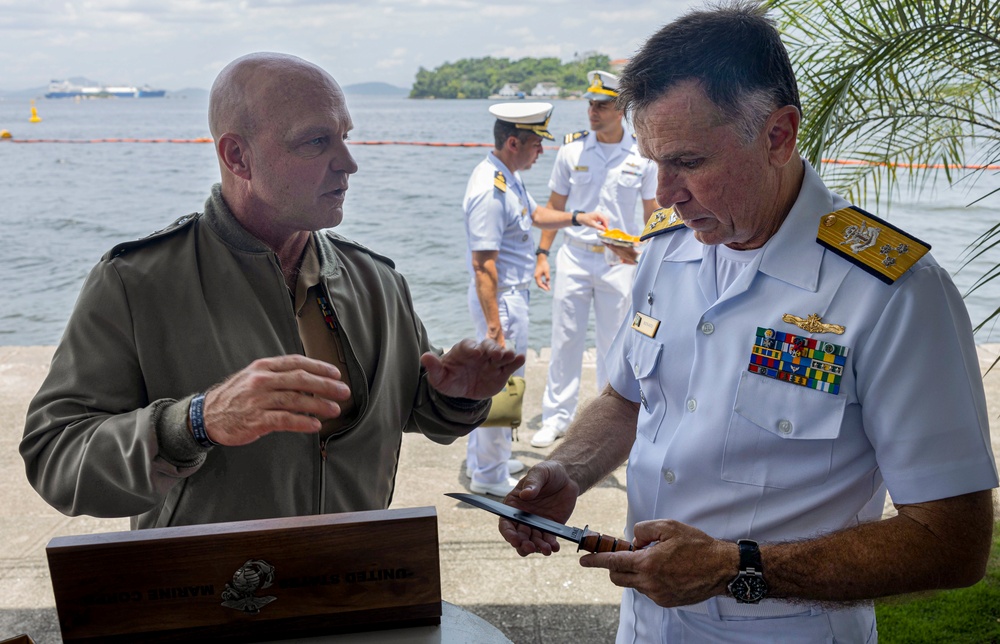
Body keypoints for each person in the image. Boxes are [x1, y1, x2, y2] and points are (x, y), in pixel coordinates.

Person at [498, 3, 998, 641]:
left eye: (689, 161)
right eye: (653, 160)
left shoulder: (889, 292)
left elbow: (951, 542)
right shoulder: (664, 251)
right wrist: (566, 472)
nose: (665, 190)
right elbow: (627, 401)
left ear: (779, 135)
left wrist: (737, 567)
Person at [20, 52, 525, 530]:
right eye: (316, 142)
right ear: (237, 156)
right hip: (212, 595)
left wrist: (454, 397)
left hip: (354, 584)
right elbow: (55, 459)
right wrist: (194, 422)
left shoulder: (378, 281)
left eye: (345, 136)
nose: (349, 162)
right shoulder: (136, 282)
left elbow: (414, 414)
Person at [463, 103, 608, 497]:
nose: (541, 152)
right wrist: (495, 327)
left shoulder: (506, 177)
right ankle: (489, 474)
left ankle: (486, 459)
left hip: (510, 297)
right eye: (535, 144)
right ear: (513, 142)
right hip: (503, 301)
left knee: (502, 381)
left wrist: (579, 217)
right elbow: (483, 266)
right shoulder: (489, 189)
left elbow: (535, 215)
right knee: (502, 383)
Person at [530, 70, 659, 448]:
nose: (592, 111)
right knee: (565, 337)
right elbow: (555, 207)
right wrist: (542, 254)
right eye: (590, 104)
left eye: (601, 105)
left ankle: (607, 421)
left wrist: (649, 257)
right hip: (574, 255)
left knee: (613, 344)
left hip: (618, 262)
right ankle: (556, 417)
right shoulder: (572, 151)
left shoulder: (640, 155)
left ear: (620, 110)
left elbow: (652, 212)